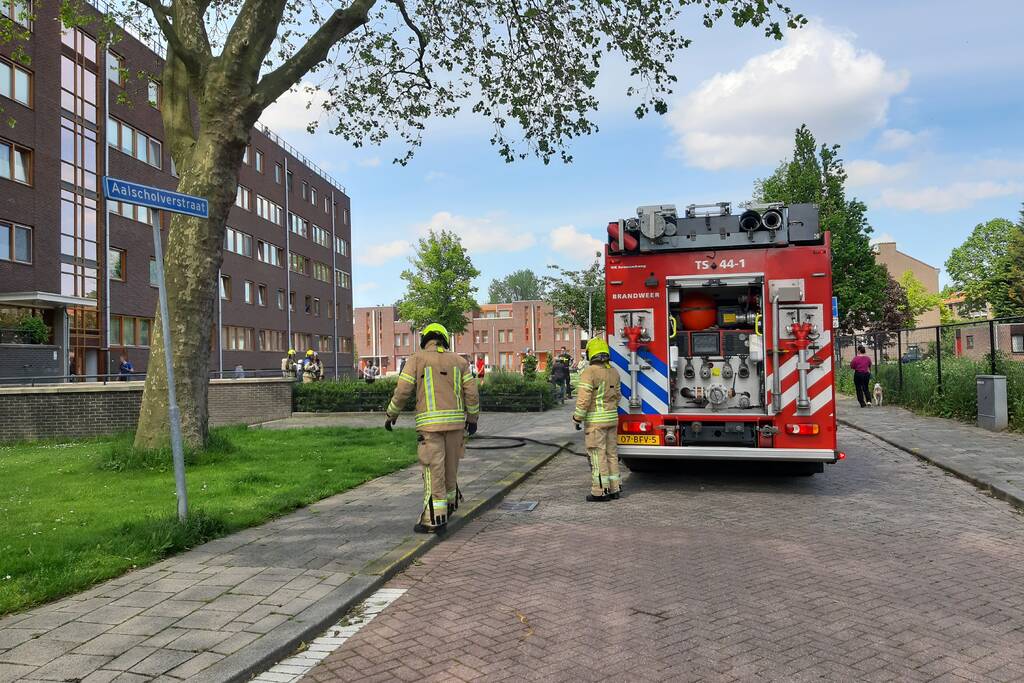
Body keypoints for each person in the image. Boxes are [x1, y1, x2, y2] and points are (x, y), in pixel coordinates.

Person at [385, 323, 480, 534]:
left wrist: (391, 414)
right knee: (449, 470)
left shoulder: (416, 359)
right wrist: (472, 419)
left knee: (433, 470)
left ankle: (434, 521)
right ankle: (449, 507)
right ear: (445, 339)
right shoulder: (460, 361)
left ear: (425, 339)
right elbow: (472, 394)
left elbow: (402, 390)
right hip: (456, 427)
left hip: (430, 427)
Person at [573, 338, 622, 501]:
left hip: (596, 421)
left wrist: (577, 418)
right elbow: (618, 396)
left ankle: (600, 491)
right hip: (612, 419)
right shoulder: (614, 372)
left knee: (597, 455)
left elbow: (584, 399)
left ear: (590, 353)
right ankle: (615, 488)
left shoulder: (589, 372)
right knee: (611, 454)